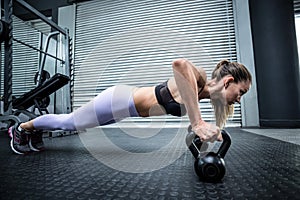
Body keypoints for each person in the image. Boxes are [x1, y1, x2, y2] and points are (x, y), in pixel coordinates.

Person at [8, 58, 252, 155]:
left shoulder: (200, 95)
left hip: (123, 110)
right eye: (241, 92)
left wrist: (205, 129)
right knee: (70, 122)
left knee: (75, 122)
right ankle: (22, 128)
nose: (239, 98)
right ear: (229, 81)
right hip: (118, 100)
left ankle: (34, 129)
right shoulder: (197, 77)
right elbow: (179, 64)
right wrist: (197, 123)